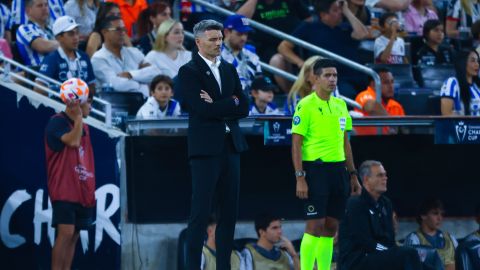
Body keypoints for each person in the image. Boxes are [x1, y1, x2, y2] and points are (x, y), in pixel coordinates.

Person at [176, 19, 249, 270]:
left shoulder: (229, 68)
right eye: (213, 39)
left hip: (232, 147)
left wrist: (219, 103)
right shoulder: (189, 71)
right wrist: (230, 102)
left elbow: (245, 107)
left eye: (220, 39)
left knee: (229, 214)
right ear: (198, 42)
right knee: (200, 214)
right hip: (205, 150)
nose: (219, 43)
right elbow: (201, 110)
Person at [291, 58, 362, 270]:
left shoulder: (341, 106)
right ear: (316, 78)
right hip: (315, 169)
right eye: (327, 75)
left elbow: (345, 143)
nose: (332, 80)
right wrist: (300, 177)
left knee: (331, 226)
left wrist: (353, 174)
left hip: (338, 170)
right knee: (315, 225)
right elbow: (296, 144)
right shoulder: (305, 105)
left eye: (335, 75)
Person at [44, 89, 96, 270]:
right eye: (88, 102)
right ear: (78, 102)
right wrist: (79, 117)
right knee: (65, 233)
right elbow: (73, 142)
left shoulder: (86, 128)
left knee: (74, 235)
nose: (90, 106)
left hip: (82, 188)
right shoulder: (57, 121)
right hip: (64, 187)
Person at [338, 160, 423, 270]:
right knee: (408, 254)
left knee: (425, 264)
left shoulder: (385, 204)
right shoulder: (355, 204)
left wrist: (391, 250)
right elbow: (365, 242)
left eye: (385, 175)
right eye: (380, 175)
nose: (385, 178)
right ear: (366, 180)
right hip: (357, 260)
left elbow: (390, 238)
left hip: (378, 255)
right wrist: (390, 251)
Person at [278, 0, 369, 98]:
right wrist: (301, 63)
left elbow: (363, 34)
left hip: (356, 75)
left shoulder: (347, 24)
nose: (340, 12)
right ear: (323, 14)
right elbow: (283, 47)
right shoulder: (310, 26)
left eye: (340, 10)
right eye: (335, 10)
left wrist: (346, 10)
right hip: (333, 78)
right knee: (348, 95)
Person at [236, 0, 311, 92]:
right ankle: (291, 95)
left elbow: (308, 19)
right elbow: (238, 21)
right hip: (265, 48)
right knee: (278, 60)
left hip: (295, 45)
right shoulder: (251, 3)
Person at [91, 15, 158, 97]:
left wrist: (131, 74)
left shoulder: (133, 52)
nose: (123, 33)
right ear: (105, 32)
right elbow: (116, 84)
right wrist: (143, 86)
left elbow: (155, 72)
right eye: (118, 30)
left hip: (141, 102)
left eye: (124, 30)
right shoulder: (98, 59)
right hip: (116, 105)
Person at [35, 16, 96, 95]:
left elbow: (92, 86)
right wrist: (60, 92)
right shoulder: (52, 58)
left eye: (77, 33)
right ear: (59, 38)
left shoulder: (84, 57)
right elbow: (38, 87)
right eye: (71, 34)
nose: (76, 38)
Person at [404, 198, 458, 270]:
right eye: (435, 213)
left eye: (441, 214)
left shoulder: (450, 238)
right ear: (423, 215)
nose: (440, 218)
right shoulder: (413, 239)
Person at [354, 67, 405, 135]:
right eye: (386, 82)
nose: (391, 86)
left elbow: (404, 130)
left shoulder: (396, 106)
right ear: (374, 84)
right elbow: (371, 107)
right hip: (365, 142)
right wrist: (392, 124)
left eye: (392, 82)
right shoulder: (364, 94)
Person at [221, 14, 261, 92]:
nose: (244, 38)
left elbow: (259, 79)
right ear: (226, 32)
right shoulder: (213, 53)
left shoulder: (251, 52)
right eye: (239, 34)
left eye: (246, 34)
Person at [16, 0, 59, 66]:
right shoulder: (25, 28)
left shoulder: (51, 29)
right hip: (38, 72)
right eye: (40, 6)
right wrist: (64, 43)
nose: (44, 8)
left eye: (46, 5)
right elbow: (43, 46)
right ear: (28, 11)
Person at [440, 49, 480, 116]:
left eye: (478, 61)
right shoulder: (452, 83)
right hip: (462, 125)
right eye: (473, 61)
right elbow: (446, 114)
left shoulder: (477, 85)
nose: (477, 64)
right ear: (462, 63)